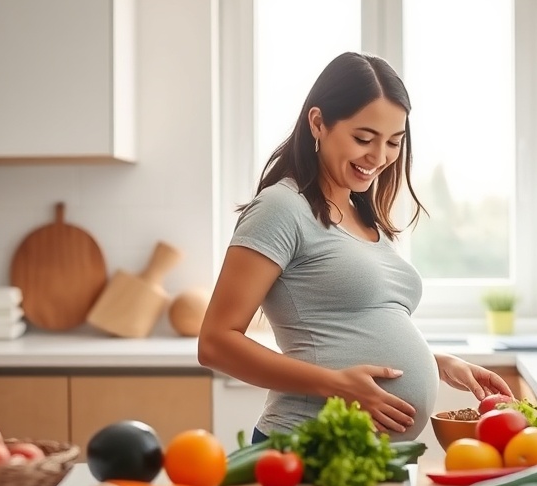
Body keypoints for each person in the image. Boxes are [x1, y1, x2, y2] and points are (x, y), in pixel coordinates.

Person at [197, 52, 512, 443]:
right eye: (363, 138)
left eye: (394, 142)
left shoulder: (361, 212)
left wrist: (437, 364)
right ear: (318, 123)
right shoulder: (281, 208)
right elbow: (215, 342)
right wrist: (335, 385)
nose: (379, 158)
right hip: (308, 445)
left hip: (374, 457)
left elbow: (346, 329)